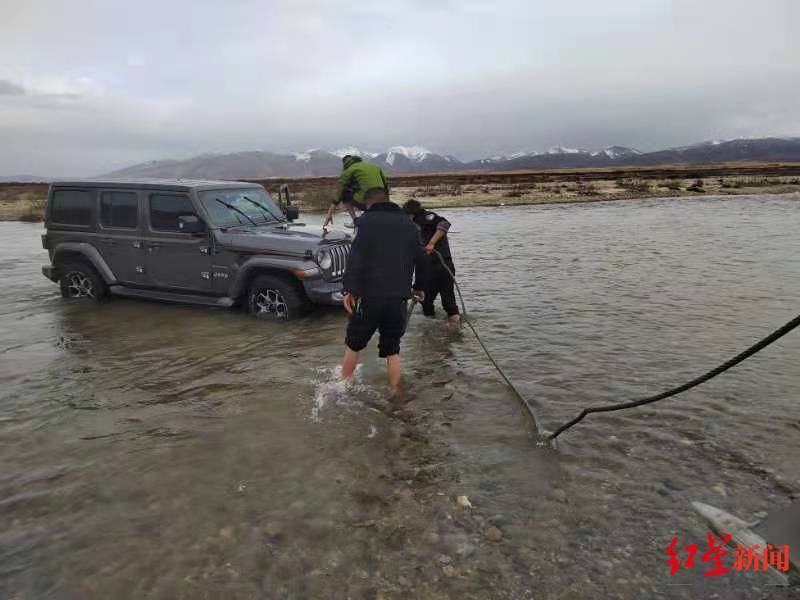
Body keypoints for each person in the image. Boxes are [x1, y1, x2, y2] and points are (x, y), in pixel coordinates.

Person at [340, 193, 427, 391]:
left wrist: (349, 290)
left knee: (354, 344)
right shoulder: (410, 226)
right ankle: (396, 393)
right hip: (398, 300)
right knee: (392, 350)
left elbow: (355, 258)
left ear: (371, 203)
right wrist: (419, 287)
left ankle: (342, 388)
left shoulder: (365, 222)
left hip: (369, 298)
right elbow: (423, 261)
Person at [402, 199, 461, 325]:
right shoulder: (412, 228)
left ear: (411, 214)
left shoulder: (425, 217)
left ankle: (451, 330)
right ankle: (435, 331)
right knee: (427, 303)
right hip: (427, 269)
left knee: (448, 302)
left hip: (442, 265)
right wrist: (416, 286)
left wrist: (432, 243)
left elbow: (444, 224)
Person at [323, 155, 389, 228]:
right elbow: (386, 185)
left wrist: (329, 214)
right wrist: (387, 203)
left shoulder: (349, 170)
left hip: (367, 202)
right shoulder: (375, 167)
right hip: (383, 202)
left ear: (345, 163)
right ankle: (369, 216)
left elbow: (339, 192)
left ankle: (355, 221)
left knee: (345, 194)